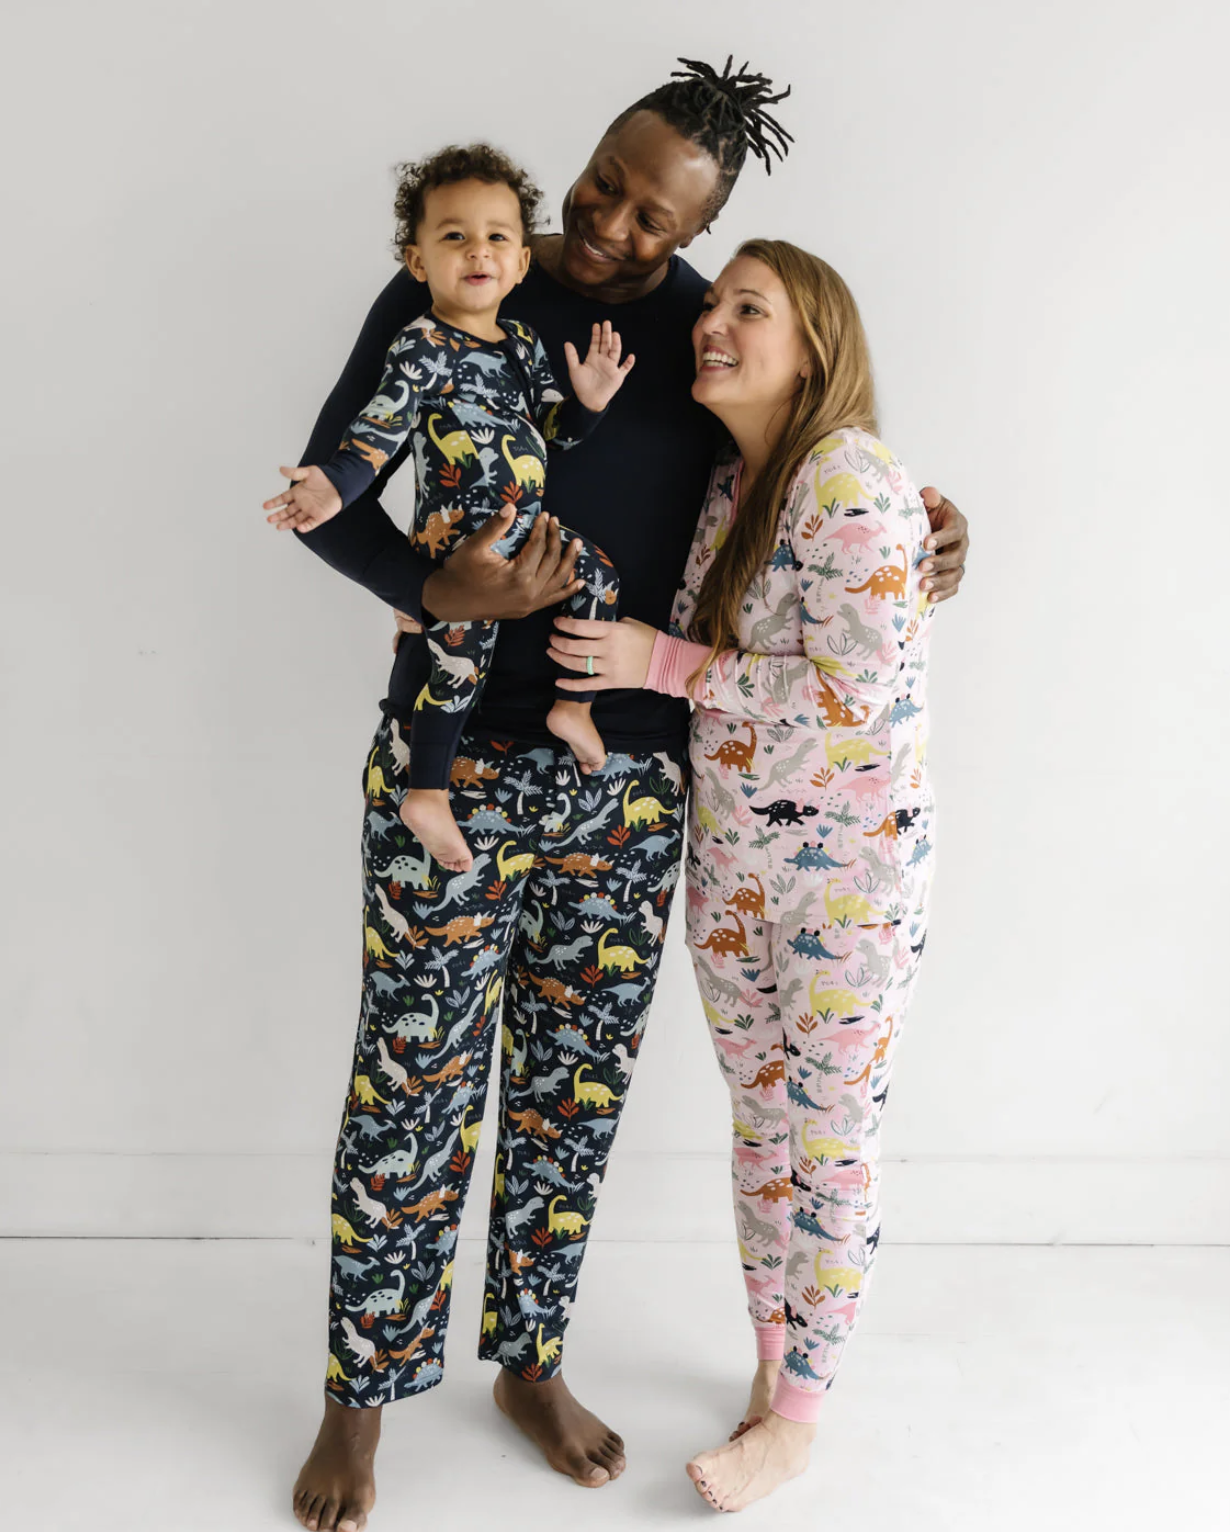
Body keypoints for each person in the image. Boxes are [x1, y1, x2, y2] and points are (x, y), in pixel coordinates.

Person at [277, 55, 968, 1532]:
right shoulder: (463, 273)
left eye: (654, 217)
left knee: (566, 1094)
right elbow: (333, 493)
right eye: (602, 181)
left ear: (698, 227)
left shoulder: (710, 335)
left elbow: (798, 480)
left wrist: (925, 526)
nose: (607, 223)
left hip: (629, 779)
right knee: (409, 1085)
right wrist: (436, 588)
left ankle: (528, 1363)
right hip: (453, 762)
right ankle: (358, 1397)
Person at [547, 240, 938, 1512]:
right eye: (713, 301)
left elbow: (849, 690)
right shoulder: (733, 485)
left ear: (814, 346)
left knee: (831, 1140)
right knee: (763, 1131)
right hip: (733, 869)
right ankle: (772, 1371)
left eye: (748, 306)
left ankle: (801, 1419)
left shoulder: (851, 479)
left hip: (847, 886)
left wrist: (658, 662)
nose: (713, 319)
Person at [265, 145, 635, 870]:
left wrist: (588, 405)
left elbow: (551, 434)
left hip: (528, 529)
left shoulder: (522, 345)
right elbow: (378, 428)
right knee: (460, 663)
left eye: (497, 236)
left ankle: (573, 707)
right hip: (459, 544)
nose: (478, 250)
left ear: (521, 263)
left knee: (600, 578)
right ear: (418, 261)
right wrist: (331, 485)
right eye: (455, 236)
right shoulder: (421, 346)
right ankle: (427, 791)